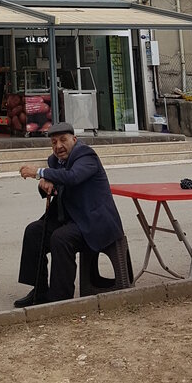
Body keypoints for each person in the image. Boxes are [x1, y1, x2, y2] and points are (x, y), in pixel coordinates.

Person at [14, 122, 124, 307]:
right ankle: (39, 291)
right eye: (54, 142)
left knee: (61, 238)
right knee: (33, 231)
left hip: (93, 221)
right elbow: (58, 181)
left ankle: (60, 298)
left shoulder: (86, 155)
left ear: (74, 139)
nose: (58, 146)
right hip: (68, 217)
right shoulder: (54, 161)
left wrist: (39, 173)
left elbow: (73, 177)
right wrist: (45, 184)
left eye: (63, 140)